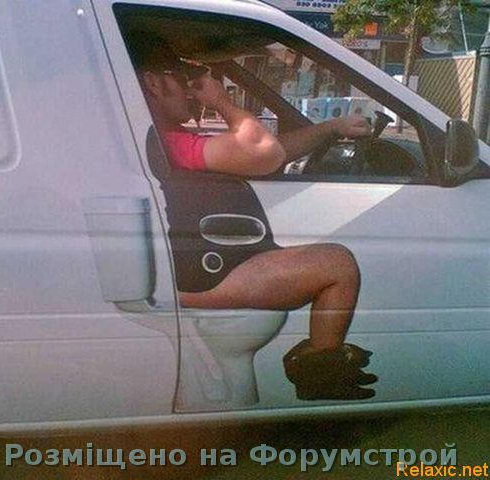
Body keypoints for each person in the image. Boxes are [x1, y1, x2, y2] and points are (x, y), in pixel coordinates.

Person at [128, 33, 377, 400]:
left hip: (210, 264)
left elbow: (272, 153)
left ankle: (316, 368)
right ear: (154, 83)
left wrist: (331, 128)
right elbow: (261, 151)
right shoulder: (168, 141)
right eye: (182, 78)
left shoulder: (167, 138)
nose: (192, 89)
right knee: (337, 265)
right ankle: (320, 377)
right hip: (205, 276)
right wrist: (221, 102)